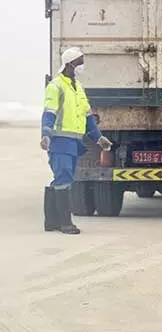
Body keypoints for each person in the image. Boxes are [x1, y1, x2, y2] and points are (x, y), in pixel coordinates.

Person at [41, 47, 112, 234]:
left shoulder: (78, 87)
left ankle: (51, 222)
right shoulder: (56, 86)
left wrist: (98, 138)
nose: (82, 66)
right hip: (60, 141)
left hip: (74, 142)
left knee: (65, 178)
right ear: (70, 64)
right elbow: (49, 112)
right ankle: (65, 223)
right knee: (64, 177)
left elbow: (87, 116)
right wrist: (46, 134)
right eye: (80, 62)